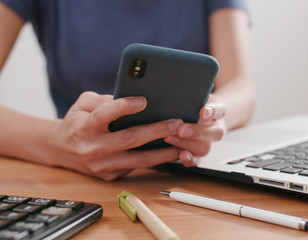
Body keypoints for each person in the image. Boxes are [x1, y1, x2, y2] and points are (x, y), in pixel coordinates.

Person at [0, 0, 255, 181]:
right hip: (77, 177)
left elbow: (241, 88)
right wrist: (58, 142)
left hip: (185, 175)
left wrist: (211, 116)